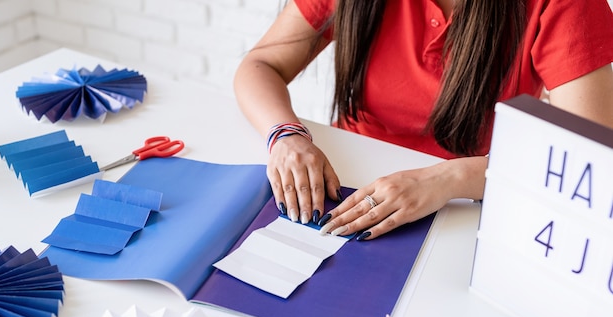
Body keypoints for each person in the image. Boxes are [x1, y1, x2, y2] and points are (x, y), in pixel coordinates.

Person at [234, 0, 613, 241]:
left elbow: (586, 160)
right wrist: (285, 136)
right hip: (347, 179)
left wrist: (450, 178)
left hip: (468, 202)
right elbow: (261, 64)